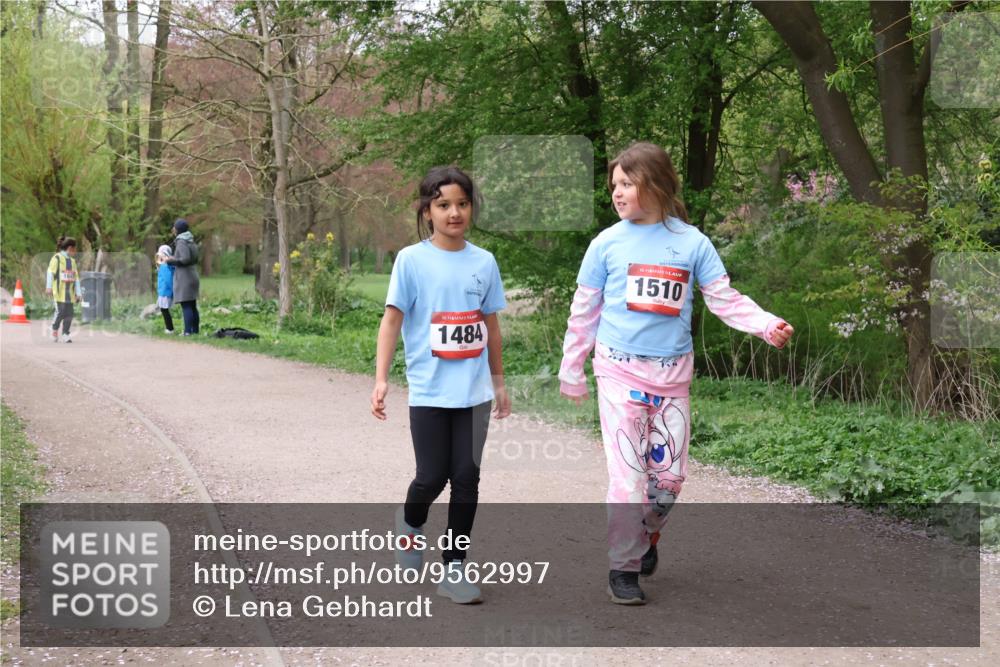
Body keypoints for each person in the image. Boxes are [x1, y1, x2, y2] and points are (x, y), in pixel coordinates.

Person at [558, 142, 794, 605]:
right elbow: (584, 311)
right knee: (628, 477)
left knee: (667, 483)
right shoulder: (606, 243)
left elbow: (724, 298)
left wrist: (766, 324)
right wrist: (572, 369)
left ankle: (647, 536)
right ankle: (623, 568)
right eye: (614, 186)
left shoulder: (692, 243)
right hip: (618, 373)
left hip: (673, 379)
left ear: (656, 183)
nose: (618, 193)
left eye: (627, 183)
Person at [371, 166, 511, 605]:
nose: (455, 213)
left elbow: (490, 324)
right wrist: (380, 379)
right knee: (431, 477)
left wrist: (498, 381)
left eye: (463, 204)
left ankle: (454, 569)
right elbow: (391, 320)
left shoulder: (483, 262)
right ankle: (410, 525)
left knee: (466, 478)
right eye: (444, 205)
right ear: (428, 210)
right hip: (430, 391)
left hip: (474, 394)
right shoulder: (411, 261)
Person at [163, 219, 200, 335]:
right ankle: (195, 331)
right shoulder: (190, 240)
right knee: (192, 305)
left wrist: (170, 260)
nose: (173, 229)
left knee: (186, 304)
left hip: (185, 277)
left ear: (178, 229)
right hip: (193, 274)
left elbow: (184, 259)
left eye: (174, 227)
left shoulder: (181, 242)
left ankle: (187, 332)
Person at [45, 236, 82, 343]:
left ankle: (65, 333)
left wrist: (78, 293)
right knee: (60, 312)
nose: (76, 252)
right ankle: (54, 329)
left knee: (69, 314)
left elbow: (76, 278)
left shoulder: (73, 262)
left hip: (69, 294)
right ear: (70, 248)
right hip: (58, 292)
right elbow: (50, 273)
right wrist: (48, 287)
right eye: (75, 249)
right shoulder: (56, 258)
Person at [156, 244, 176, 334]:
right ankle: (169, 328)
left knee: (164, 309)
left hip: (165, 291)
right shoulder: (166, 265)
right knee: (164, 309)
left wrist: (171, 289)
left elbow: (168, 279)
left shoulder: (165, 266)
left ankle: (170, 328)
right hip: (165, 290)